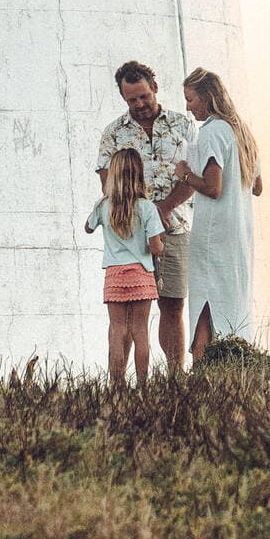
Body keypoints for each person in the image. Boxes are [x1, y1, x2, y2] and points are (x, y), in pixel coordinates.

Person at [95, 58, 197, 371]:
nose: (139, 104)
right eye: (132, 99)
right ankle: (119, 384)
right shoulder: (113, 133)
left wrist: (163, 208)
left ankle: (175, 376)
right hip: (129, 240)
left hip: (175, 228)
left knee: (173, 304)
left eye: (144, 96)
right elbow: (107, 184)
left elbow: (196, 175)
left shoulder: (182, 125)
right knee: (125, 314)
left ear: (154, 88)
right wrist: (140, 216)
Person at [167, 67, 262, 362]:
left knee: (205, 300)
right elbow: (257, 187)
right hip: (239, 232)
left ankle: (202, 367)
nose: (187, 106)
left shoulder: (212, 132)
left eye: (191, 98)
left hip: (213, 232)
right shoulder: (242, 131)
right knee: (232, 299)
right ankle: (235, 361)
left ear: (207, 97)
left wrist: (185, 175)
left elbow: (213, 187)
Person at [85, 145, 164, 384]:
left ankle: (116, 384)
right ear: (139, 175)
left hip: (115, 275)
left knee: (116, 330)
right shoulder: (147, 208)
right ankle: (142, 384)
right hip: (141, 274)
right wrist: (162, 242)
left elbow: (87, 228)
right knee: (140, 331)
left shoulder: (103, 206)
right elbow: (155, 247)